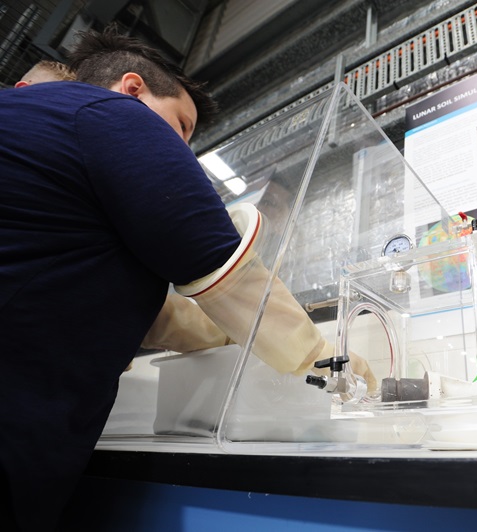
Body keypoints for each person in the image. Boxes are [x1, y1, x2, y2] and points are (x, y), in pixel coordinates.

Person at [0, 27, 372, 531]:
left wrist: (221, 332)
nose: (180, 150)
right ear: (132, 90)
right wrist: (322, 363)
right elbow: (228, 277)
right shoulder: (113, 116)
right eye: (180, 126)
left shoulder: (33, 133)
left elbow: (139, 310)